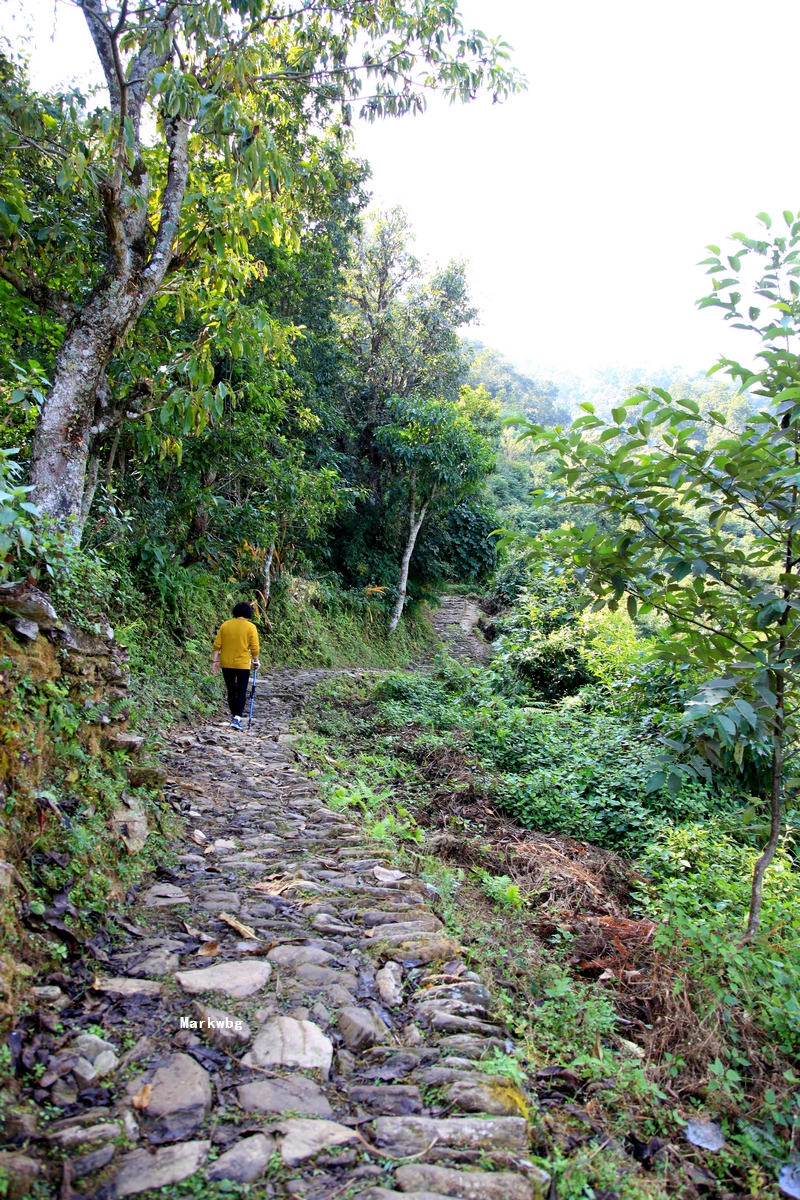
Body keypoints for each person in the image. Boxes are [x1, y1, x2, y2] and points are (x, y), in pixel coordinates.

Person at [212, 601, 260, 730]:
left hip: (226, 662)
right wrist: (256, 661)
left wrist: (215, 661)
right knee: (242, 690)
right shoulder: (251, 627)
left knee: (231, 690)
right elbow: (254, 647)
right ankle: (237, 717)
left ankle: (234, 716)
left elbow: (217, 645)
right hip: (243, 663)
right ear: (248, 613)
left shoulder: (225, 625)